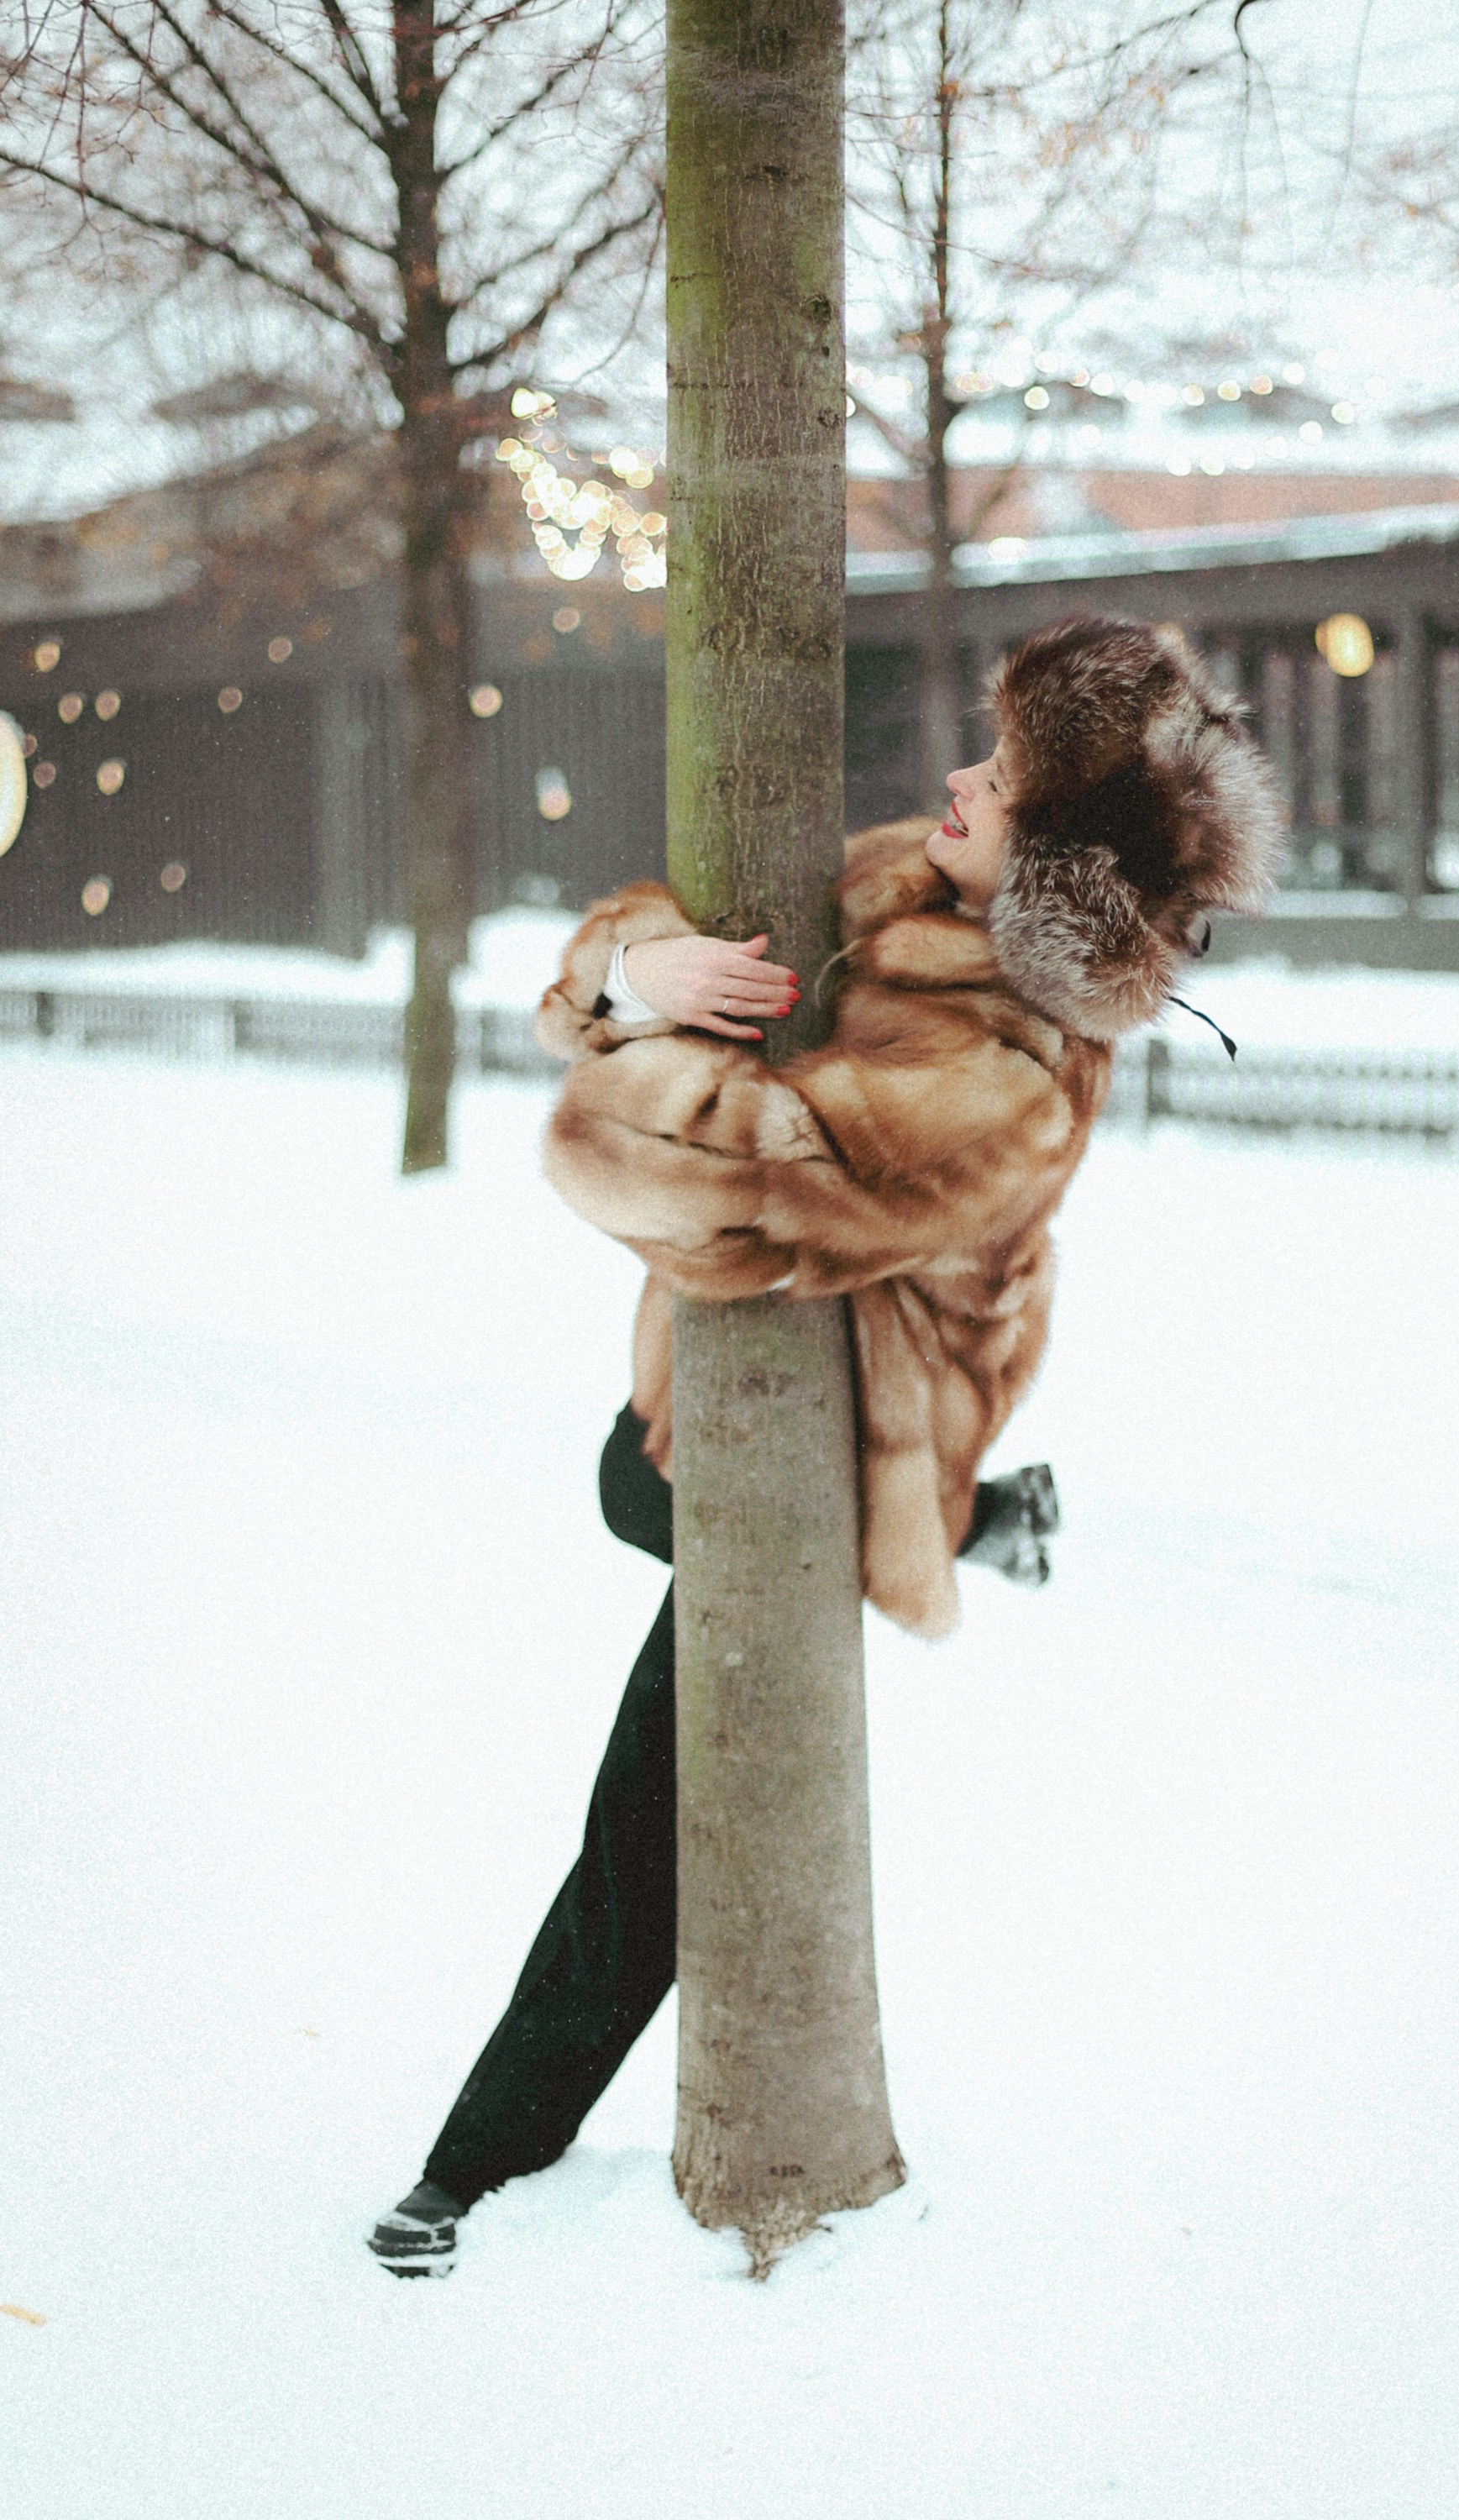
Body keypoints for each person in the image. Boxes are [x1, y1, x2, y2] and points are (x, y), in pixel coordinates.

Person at [369, 612, 1282, 2275]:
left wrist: (638, 1047)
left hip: (840, 1431)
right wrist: (643, 972)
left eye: (997, 775)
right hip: (760, 1398)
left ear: (1064, 848)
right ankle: (967, 1520)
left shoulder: (1007, 1067)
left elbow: (713, 1180)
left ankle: (473, 2167)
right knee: (620, 1485)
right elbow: (658, 954)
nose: (952, 777)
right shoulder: (914, 893)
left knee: (650, 1816)